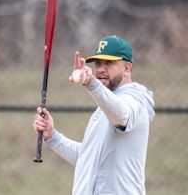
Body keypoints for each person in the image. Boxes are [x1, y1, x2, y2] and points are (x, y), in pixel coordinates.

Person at [33, 35, 155, 195]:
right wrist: (53, 136)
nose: (100, 69)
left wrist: (92, 83)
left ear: (127, 68)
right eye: (98, 63)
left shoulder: (134, 100)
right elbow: (87, 158)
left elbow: (122, 115)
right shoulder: (106, 104)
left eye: (109, 63)